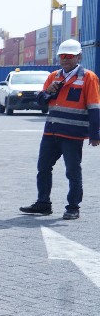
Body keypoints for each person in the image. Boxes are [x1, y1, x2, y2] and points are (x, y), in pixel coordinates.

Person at [20, 39, 100, 220]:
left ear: (79, 57)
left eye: (69, 56)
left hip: (72, 135)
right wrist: (48, 91)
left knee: (72, 171)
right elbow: (40, 102)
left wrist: (95, 134)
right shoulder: (53, 77)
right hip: (51, 133)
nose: (65, 59)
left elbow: (95, 107)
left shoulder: (89, 78)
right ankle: (43, 203)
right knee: (43, 168)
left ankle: (73, 207)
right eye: (62, 56)